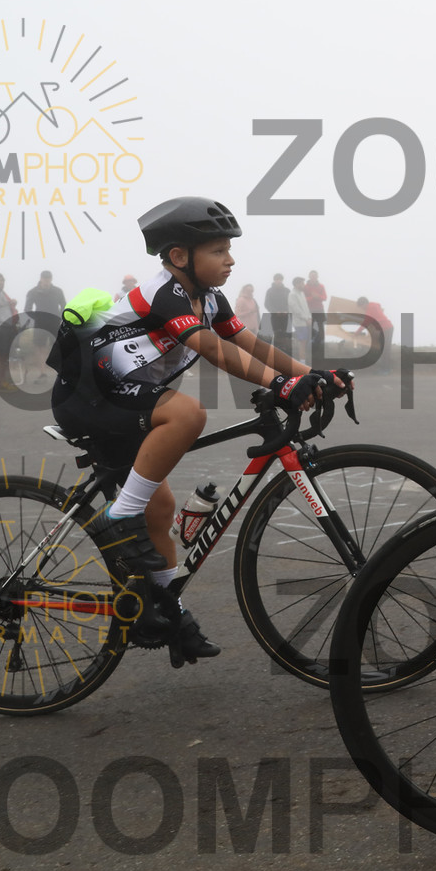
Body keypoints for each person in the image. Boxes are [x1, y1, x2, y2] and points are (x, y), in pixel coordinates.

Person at [49, 197, 350, 668]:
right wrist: (279, 385)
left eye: (229, 250)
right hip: (89, 398)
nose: (230, 260)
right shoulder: (165, 293)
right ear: (179, 256)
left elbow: (247, 342)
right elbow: (209, 347)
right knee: (188, 413)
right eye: (218, 250)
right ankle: (118, 517)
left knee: (160, 509)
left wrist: (310, 374)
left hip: (125, 398)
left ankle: (169, 615)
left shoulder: (209, 298)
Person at [24, 271, 66, 384]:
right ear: (41, 279)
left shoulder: (58, 291)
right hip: (40, 323)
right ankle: (42, 373)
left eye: (48, 279)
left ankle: (62, 372)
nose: (46, 281)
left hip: (55, 322)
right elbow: (27, 309)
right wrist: (37, 317)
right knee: (39, 347)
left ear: (51, 279)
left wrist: (61, 318)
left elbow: (64, 306)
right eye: (44, 279)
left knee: (58, 347)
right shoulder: (33, 292)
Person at [358, 296, 394, 373]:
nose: (362, 309)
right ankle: (386, 368)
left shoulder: (369, 307)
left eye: (361, 307)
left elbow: (366, 322)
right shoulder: (374, 306)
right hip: (386, 328)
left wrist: (357, 332)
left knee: (385, 349)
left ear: (364, 304)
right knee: (384, 349)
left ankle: (386, 369)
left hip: (386, 328)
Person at [288, 276, 312, 363]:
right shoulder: (292, 295)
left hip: (306, 321)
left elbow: (306, 307)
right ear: (297, 284)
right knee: (302, 342)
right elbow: (296, 309)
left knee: (305, 342)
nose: (304, 285)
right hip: (299, 323)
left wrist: (309, 317)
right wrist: (306, 318)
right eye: (302, 283)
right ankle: (302, 363)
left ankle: (303, 361)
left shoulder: (301, 293)